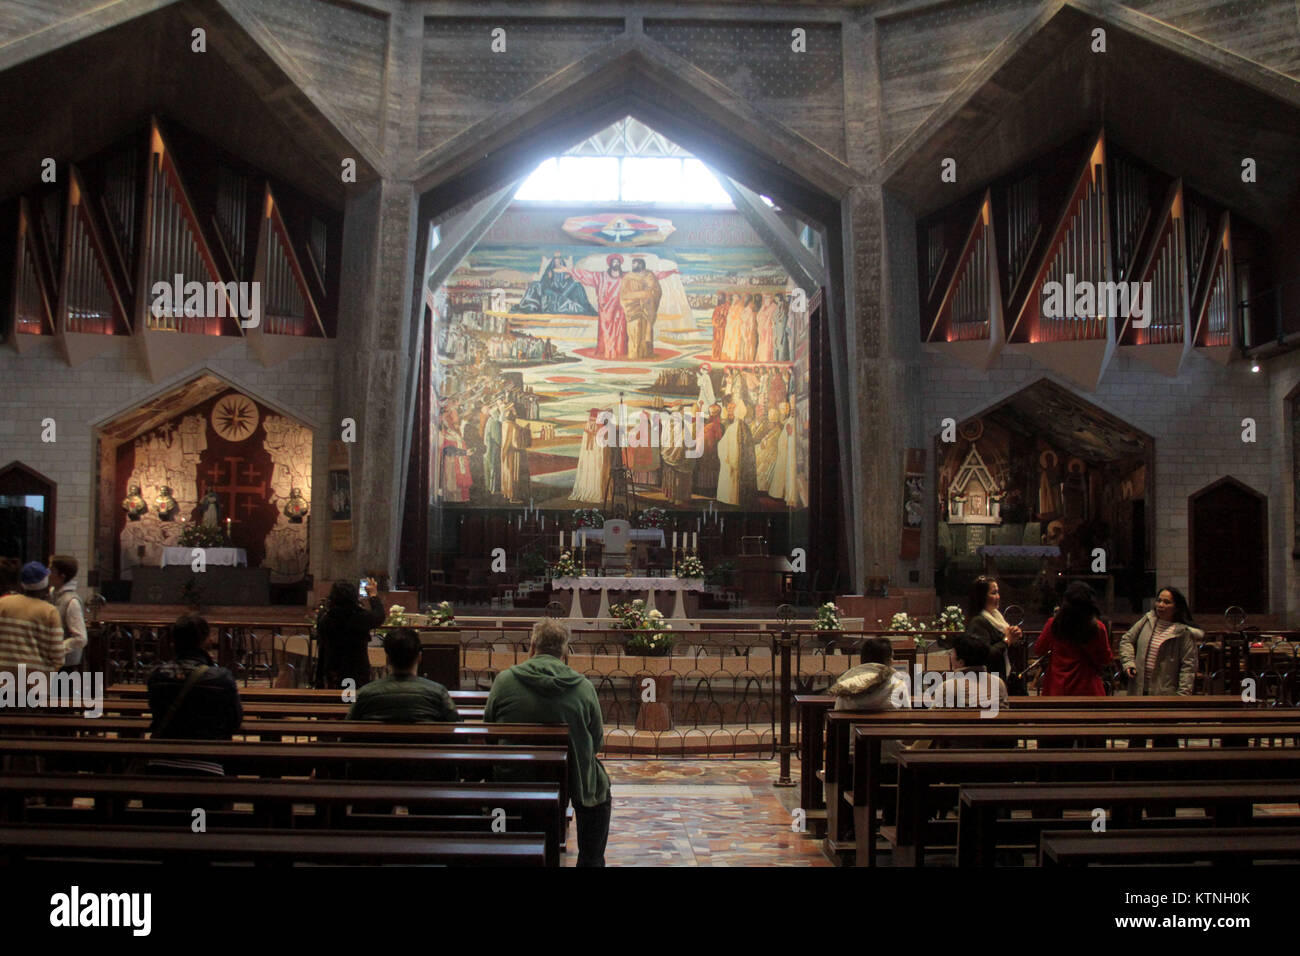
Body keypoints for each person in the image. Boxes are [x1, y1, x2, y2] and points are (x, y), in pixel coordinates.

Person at [485, 619, 610, 866]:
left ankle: (504, 846)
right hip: (569, 780)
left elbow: (489, 731)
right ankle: (591, 860)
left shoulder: (505, 680)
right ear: (564, 652)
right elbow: (596, 742)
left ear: (532, 647)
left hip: (515, 777)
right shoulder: (583, 687)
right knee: (598, 786)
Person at [145, 613, 242, 776]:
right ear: (206, 641)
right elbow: (234, 721)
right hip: (209, 763)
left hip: (160, 762)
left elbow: (156, 713)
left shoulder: (157, 675)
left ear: (173, 642)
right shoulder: (221, 677)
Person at [347, 628, 461, 723]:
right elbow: (455, 725)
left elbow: (348, 729)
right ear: (419, 657)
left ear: (387, 659)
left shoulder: (365, 693)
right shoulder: (438, 693)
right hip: (424, 749)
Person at [1118, 586, 1200, 696]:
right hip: (1138, 689)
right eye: (1159, 601)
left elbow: (1188, 667)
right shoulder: (1147, 620)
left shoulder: (1183, 632)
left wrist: (1183, 695)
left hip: (1165, 693)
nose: (1161, 605)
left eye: (1167, 602)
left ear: (1176, 607)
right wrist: (1129, 663)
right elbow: (1127, 640)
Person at [1033, 581, 1112, 696]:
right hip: (1088, 688)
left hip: (1056, 686)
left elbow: (1039, 649)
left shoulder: (1054, 624)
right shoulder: (1097, 627)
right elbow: (1106, 658)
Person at [316, 578, 386, 690]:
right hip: (356, 669)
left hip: (333, 668)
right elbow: (379, 616)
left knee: (334, 702)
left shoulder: (326, 617)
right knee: (350, 702)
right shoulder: (359, 617)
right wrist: (373, 596)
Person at [0, 561, 65, 674]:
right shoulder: (49, 611)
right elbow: (57, 654)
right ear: (45, 585)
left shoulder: (3, 603)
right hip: (36, 679)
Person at [964, 576, 1023, 691]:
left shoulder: (997, 618)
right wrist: (1007, 640)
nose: (998, 597)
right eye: (993, 593)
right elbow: (984, 655)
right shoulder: (978, 622)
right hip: (988, 682)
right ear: (981, 597)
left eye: (998, 592)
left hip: (1004, 678)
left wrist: (1015, 637)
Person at [48, 555, 87, 673]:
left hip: (66, 665)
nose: (48, 574)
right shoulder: (53, 594)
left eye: (51, 571)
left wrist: (57, 648)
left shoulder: (71, 601)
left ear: (62, 576)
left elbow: (80, 638)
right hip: (54, 663)